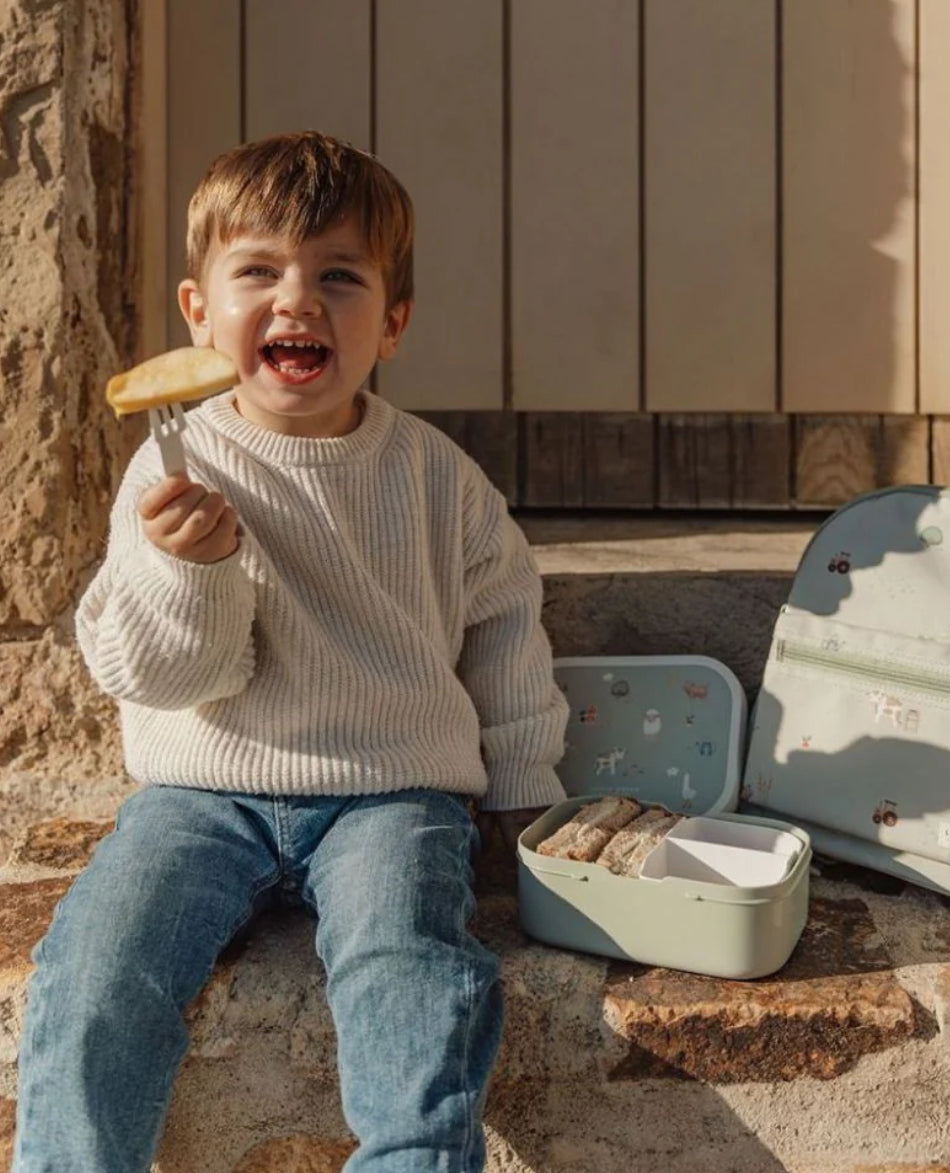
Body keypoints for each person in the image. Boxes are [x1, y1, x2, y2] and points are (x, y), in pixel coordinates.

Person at [12, 130, 568, 1173]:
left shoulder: (435, 477)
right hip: (200, 792)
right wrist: (195, 571)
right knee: (94, 972)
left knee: (413, 970)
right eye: (257, 271)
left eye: (338, 276)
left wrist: (520, 784)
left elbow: (502, 623)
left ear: (391, 322)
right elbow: (160, 674)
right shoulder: (171, 469)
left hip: (388, 790)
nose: (298, 300)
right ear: (199, 314)